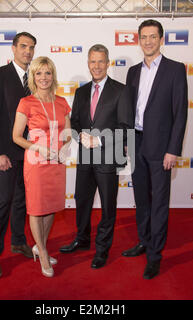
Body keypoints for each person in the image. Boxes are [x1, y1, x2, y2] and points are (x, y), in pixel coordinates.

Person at [122, 19, 188, 279]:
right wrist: (126, 139)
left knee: (159, 202)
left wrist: (173, 149)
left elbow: (180, 113)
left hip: (161, 147)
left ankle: (154, 255)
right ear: (139, 40)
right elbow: (129, 109)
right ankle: (143, 241)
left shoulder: (175, 70)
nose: (148, 41)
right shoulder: (133, 71)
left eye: (152, 36)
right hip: (136, 143)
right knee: (141, 199)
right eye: (143, 37)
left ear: (162, 39)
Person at [59, 44, 133, 269]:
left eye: (101, 61)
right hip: (84, 158)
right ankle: (81, 240)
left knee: (108, 206)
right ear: (88, 63)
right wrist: (79, 134)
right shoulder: (81, 92)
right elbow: (76, 123)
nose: (97, 66)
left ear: (108, 63)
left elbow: (125, 127)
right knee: (82, 201)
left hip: (108, 157)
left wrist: (99, 140)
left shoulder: (121, 90)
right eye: (93, 61)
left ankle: (102, 249)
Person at [12, 56, 72, 278]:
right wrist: (39, 149)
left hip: (57, 162)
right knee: (37, 208)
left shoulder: (62, 101)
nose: (44, 77)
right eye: (39, 73)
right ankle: (44, 253)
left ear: (53, 75)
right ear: (33, 77)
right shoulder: (26, 102)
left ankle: (40, 245)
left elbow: (68, 132)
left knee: (51, 206)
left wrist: (65, 147)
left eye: (47, 73)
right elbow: (17, 137)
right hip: (36, 163)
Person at [0, 32, 36, 278]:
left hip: (27, 151)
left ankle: (18, 241)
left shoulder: (34, 78)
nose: (28, 51)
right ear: (14, 48)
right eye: (24, 46)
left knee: (21, 201)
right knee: (4, 200)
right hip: (6, 152)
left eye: (31, 47)